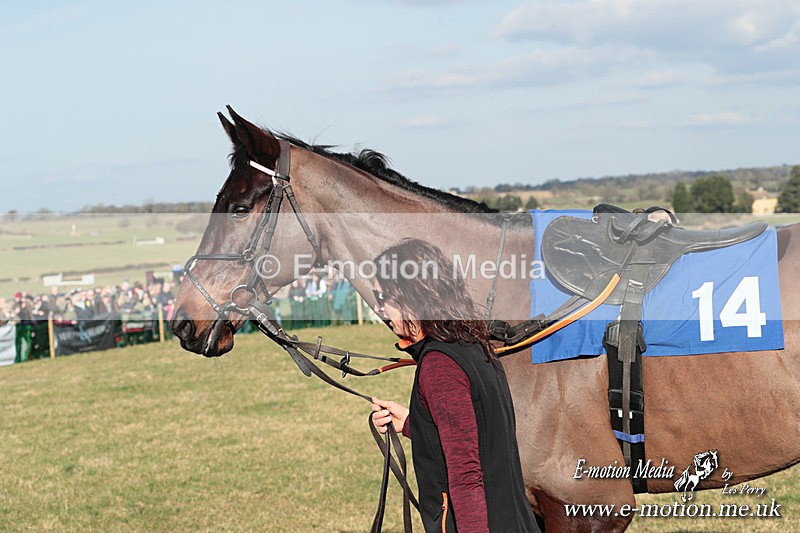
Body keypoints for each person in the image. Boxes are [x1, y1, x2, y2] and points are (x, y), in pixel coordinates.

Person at [370, 239, 539, 533]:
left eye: (382, 296)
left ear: (412, 295)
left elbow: (465, 474)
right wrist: (411, 423)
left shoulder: (440, 366)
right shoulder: (473, 346)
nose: (377, 307)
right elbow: (476, 434)